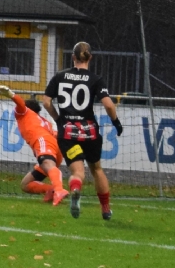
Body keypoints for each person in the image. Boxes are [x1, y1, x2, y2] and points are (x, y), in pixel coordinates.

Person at [42, 42, 123, 220]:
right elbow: (109, 105)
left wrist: (58, 119)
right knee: (97, 169)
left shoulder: (60, 76)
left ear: (73, 57)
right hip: (90, 133)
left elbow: (46, 102)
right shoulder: (96, 79)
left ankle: (76, 189)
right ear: (90, 58)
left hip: (68, 133)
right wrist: (116, 122)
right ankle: (105, 209)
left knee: (77, 173)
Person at [0, 84, 68, 205]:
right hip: (55, 148)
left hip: (43, 142)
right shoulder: (44, 121)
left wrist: (11, 95)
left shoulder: (25, 113)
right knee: (25, 184)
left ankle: (59, 189)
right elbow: (55, 135)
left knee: (48, 165)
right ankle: (52, 190)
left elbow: (20, 105)